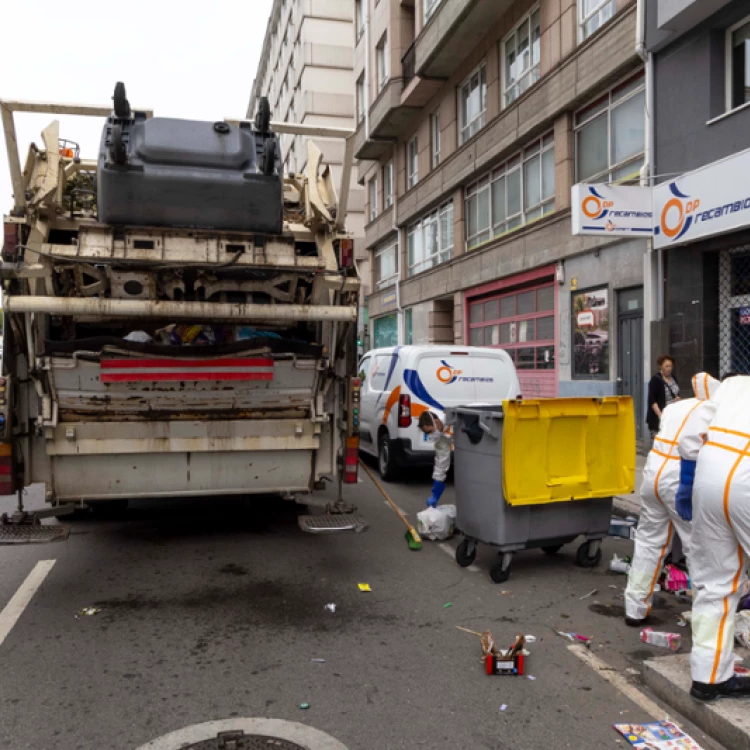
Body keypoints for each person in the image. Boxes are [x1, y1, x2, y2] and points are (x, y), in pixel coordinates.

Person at [676, 374, 750, 702]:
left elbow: (690, 437)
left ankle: (708, 678)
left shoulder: (733, 385)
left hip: (710, 475)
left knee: (714, 583)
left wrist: (688, 482)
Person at [624, 372, 720, 627]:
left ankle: (635, 608)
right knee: (698, 549)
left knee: (648, 543)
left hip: (653, 473)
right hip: (679, 478)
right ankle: (707, 622)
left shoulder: (677, 407)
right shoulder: (715, 411)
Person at [417, 410, 452, 508]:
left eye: (430, 432)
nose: (430, 436)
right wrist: (435, 495)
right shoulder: (440, 438)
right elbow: (441, 463)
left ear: (436, 422)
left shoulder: (453, 419)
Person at [646, 355, 681, 441]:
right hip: (660, 417)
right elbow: (652, 401)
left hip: (672, 417)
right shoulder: (656, 380)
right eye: (666, 366)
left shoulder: (673, 378)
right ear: (660, 366)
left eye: (670, 366)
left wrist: (678, 398)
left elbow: (676, 393)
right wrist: (661, 416)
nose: (669, 369)